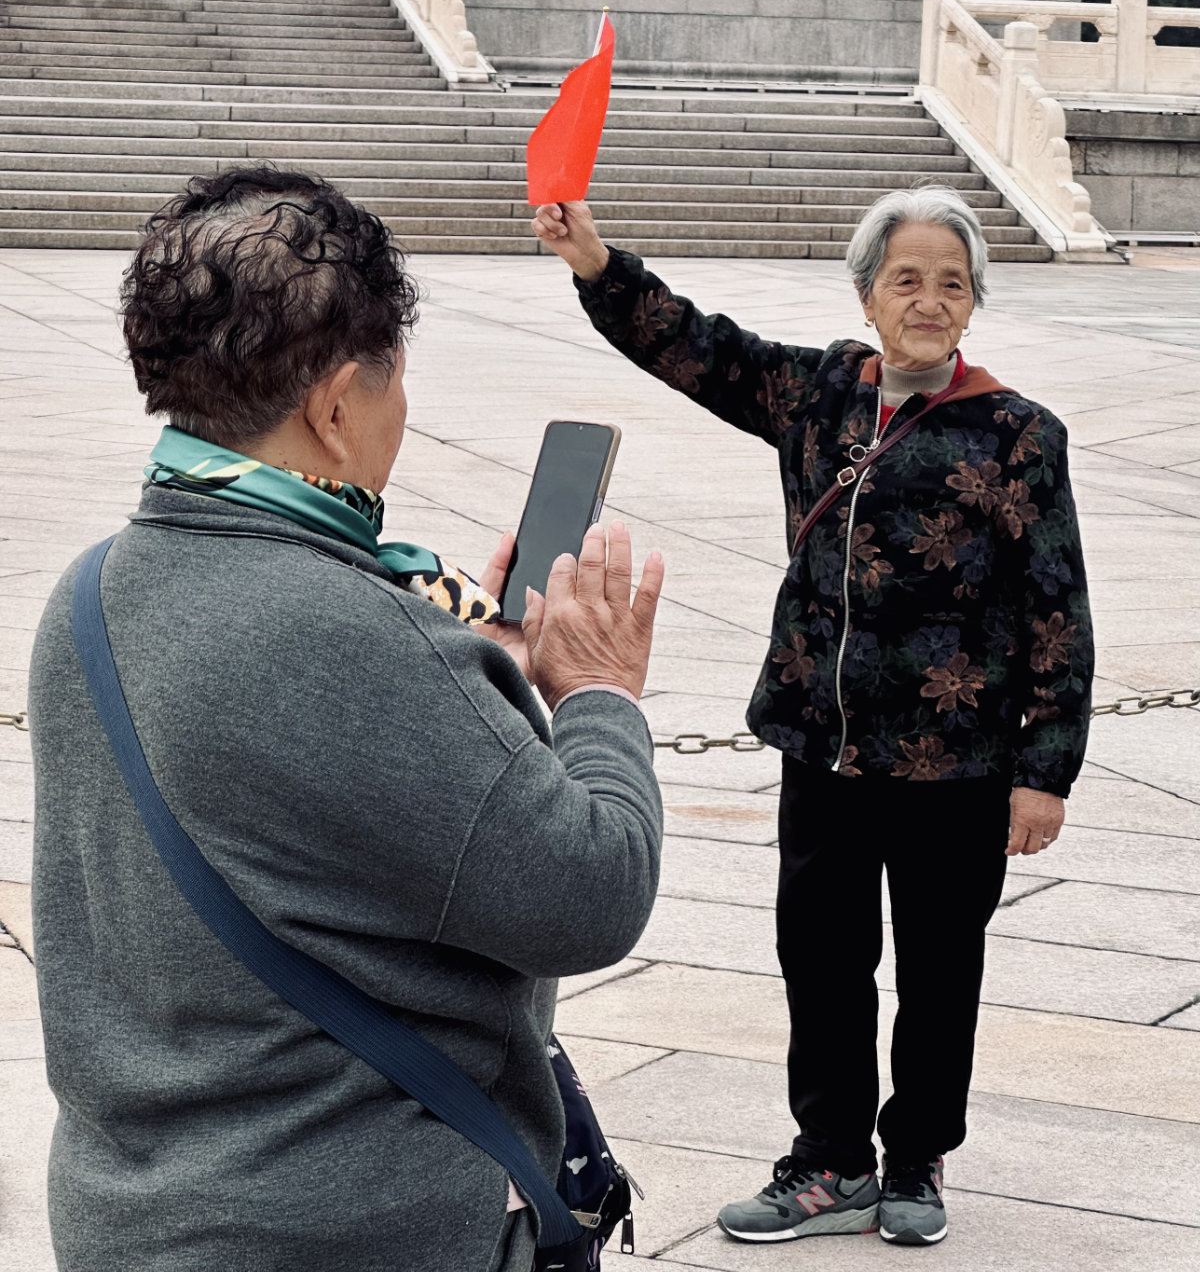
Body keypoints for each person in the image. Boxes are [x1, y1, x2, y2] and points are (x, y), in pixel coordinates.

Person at [30, 166, 665, 1272]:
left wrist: (476, 676)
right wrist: (597, 690)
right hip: (344, 1225)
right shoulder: (360, 637)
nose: (400, 417)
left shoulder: (88, 592)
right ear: (333, 404)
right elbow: (589, 891)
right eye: (391, 386)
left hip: (131, 1215)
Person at [531, 185, 1093, 1248]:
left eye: (951, 282)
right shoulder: (820, 392)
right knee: (822, 957)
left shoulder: (1019, 432)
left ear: (974, 301)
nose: (929, 300)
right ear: (867, 293)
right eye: (907, 279)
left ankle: (917, 1156)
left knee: (939, 966)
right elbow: (695, 347)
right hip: (821, 745)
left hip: (956, 761)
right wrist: (595, 258)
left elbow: (1056, 604)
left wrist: (1045, 767)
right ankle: (832, 1158)